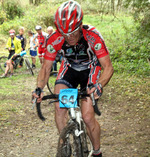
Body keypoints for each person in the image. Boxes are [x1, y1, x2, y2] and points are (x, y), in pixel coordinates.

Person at [32, 1, 114, 157]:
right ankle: (64, 145)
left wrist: (99, 86)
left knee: (88, 116)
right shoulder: (55, 38)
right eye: (64, 33)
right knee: (59, 108)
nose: (68, 37)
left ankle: (97, 151)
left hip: (90, 69)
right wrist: (39, 89)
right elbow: (45, 68)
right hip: (69, 68)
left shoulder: (92, 36)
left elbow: (108, 67)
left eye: (72, 32)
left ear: (80, 25)